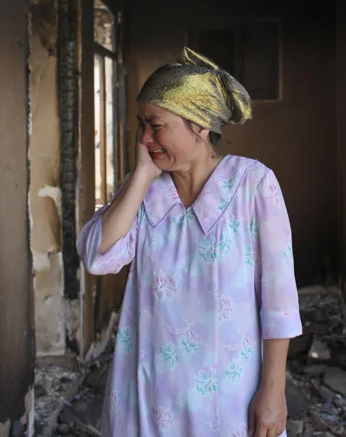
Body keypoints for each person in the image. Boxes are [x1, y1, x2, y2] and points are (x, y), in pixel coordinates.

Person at [77, 48, 302, 437]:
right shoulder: (144, 194)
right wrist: (142, 175)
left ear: (199, 126)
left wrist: (273, 392)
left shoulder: (252, 185)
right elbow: (96, 257)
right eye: (140, 125)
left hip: (228, 401)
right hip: (147, 400)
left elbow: (279, 300)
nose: (145, 138)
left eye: (156, 125)